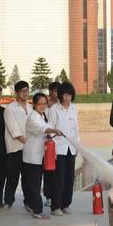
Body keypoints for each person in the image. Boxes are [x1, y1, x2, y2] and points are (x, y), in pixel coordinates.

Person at [22, 93, 63, 219]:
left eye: (45, 104)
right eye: (39, 104)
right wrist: (54, 130)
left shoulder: (42, 116)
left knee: (35, 183)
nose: (43, 106)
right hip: (32, 156)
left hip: (41, 156)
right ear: (34, 104)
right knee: (34, 184)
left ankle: (30, 204)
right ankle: (37, 210)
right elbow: (43, 128)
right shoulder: (32, 118)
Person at [49, 82, 80, 215]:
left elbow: (76, 129)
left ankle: (66, 204)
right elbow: (49, 128)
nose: (67, 98)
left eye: (69, 95)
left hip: (71, 148)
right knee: (59, 178)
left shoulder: (74, 109)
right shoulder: (54, 109)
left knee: (69, 178)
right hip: (59, 148)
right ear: (60, 95)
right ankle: (55, 206)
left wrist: (78, 145)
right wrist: (55, 133)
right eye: (65, 95)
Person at [3, 81, 32, 210]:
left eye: (27, 90)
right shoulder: (10, 108)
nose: (25, 93)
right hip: (15, 147)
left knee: (28, 177)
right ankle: (8, 201)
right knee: (12, 176)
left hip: (29, 149)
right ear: (16, 93)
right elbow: (14, 130)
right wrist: (29, 142)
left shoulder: (31, 108)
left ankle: (28, 201)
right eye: (22, 91)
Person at [43, 82, 61, 207]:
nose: (57, 94)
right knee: (48, 171)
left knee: (58, 172)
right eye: (55, 91)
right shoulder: (45, 107)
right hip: (47, 143)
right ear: (50, 92)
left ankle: (57, 195)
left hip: (60, 144)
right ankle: (48, 196)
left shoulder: (63, 107)